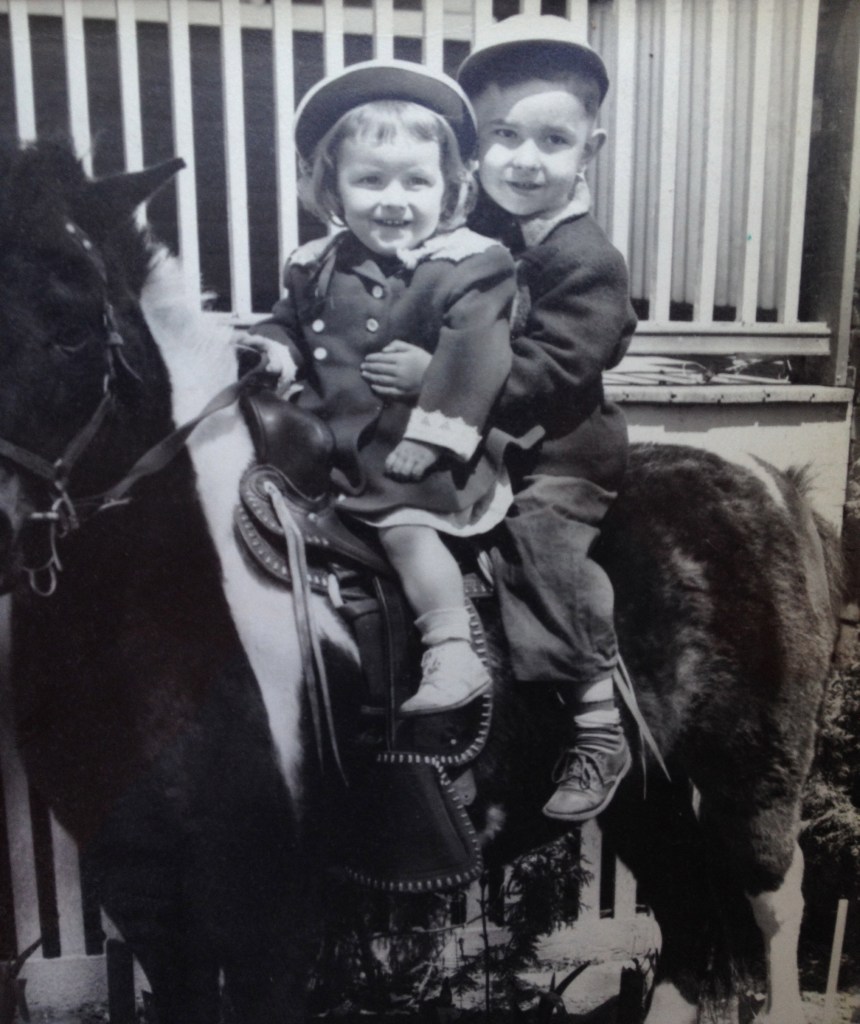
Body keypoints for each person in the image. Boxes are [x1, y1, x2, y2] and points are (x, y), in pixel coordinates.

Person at [360, 17, 637, 822]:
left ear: (592, 148)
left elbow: (555, 370)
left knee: (538, 543)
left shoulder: (586, 258)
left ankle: (597, 722)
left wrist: (436, 378)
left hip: (561, 449)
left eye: (553, 140)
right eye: (503, 135)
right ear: (472, 146)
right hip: (476, 433)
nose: (525, 158)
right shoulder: (468, 240)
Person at [248, 60, 517, 717]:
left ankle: (451, 646)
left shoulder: (467, 265)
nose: (393, 200)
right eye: (370, 180)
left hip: (417, 446)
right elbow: (291, 323)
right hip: (330, 440)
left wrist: (432, 438)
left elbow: (474, 357)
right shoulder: (315, 264)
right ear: (333, 187)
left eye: (416, 181)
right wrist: (271, 349)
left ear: (450, 188)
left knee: (403, 523)